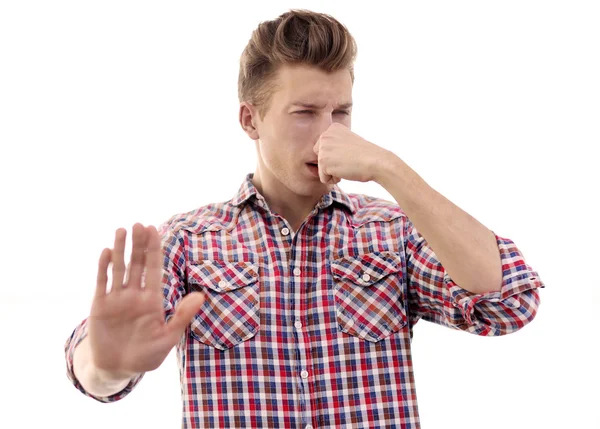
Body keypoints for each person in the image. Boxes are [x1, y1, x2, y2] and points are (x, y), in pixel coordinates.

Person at [64, 9, 545, 428]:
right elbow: (95, 367)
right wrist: (106, 367)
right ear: (250, 120)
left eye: (341, 113)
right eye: (305, 113)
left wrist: (390, 169)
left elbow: (506, 303)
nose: (327, 135)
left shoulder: (393, 232)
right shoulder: (188, 241)